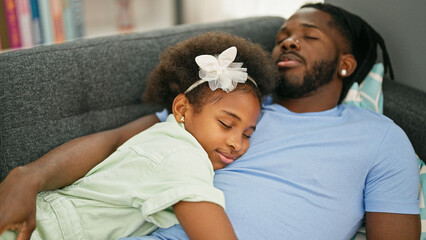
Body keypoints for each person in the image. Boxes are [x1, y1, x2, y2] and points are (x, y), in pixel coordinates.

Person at [0, 3, 420, 240]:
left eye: (309, 35)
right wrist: (28, 178)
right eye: (283, 36)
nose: (288, 41)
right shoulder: (230, 103)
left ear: (346, 64)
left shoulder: (379, 138)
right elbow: (117, 142)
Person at [0, 32, 277, 240]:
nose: (237, 143)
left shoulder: (161, 136)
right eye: (226, 124)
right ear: (182, 108)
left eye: (248, 133)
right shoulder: (182, 155)